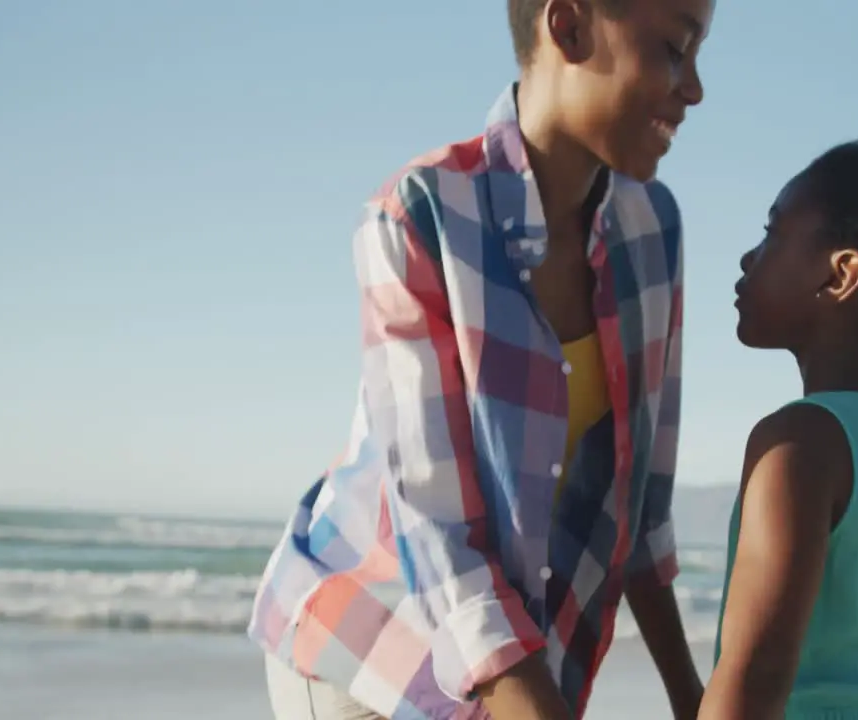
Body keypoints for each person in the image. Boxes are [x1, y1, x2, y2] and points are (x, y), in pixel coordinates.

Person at [250, 1, 713, 718]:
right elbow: (442, 541)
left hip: (523, 667)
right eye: (676, 50)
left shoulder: (654, 227)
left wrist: (695, 700)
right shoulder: (420, 214)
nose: (696, 89)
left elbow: (641, 511)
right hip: (373, 656)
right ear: (569, 27)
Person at [700, 141, 858, 720]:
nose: (749, 257)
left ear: (841, 274)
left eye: (772, 234)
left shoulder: (799, 443)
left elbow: (756, 678)